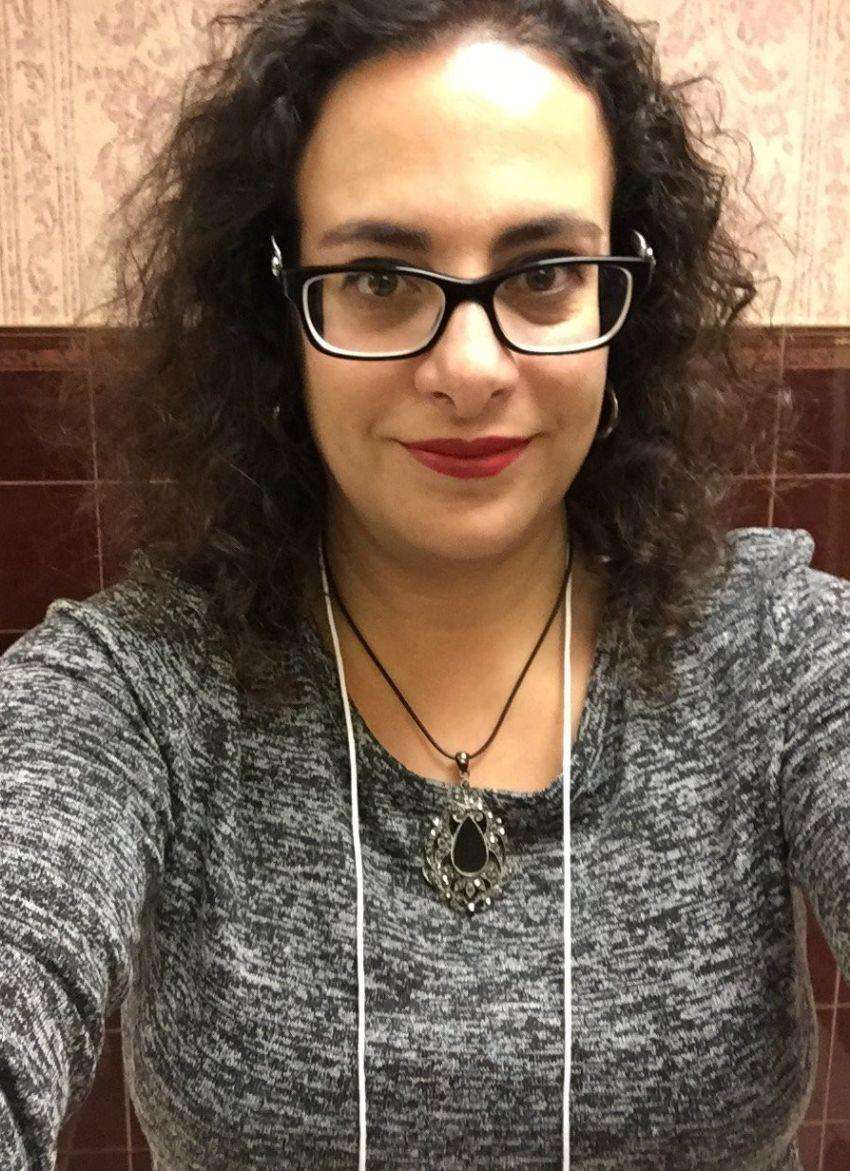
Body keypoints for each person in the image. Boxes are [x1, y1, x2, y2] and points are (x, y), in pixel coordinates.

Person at [1, 0, 847, 1168]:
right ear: (279, 311)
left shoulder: (775, 652)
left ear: (623, 304)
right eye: (380, 278)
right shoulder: (137, 691)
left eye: (544, 273)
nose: (470, 368)